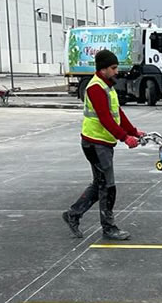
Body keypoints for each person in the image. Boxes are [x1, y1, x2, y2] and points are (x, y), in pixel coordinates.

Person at [62, 49, 143, 240]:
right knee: (108, 186)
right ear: (103, 69)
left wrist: (133, 131)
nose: (117, 71)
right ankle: (109, 228)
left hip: (102, 143)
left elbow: (117, 113)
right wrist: (125, 138)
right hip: (95, 144)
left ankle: (73, 214)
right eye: (113, 68)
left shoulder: (107, 85)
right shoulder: (95, 88)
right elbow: (105, 119)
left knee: (100, 184)